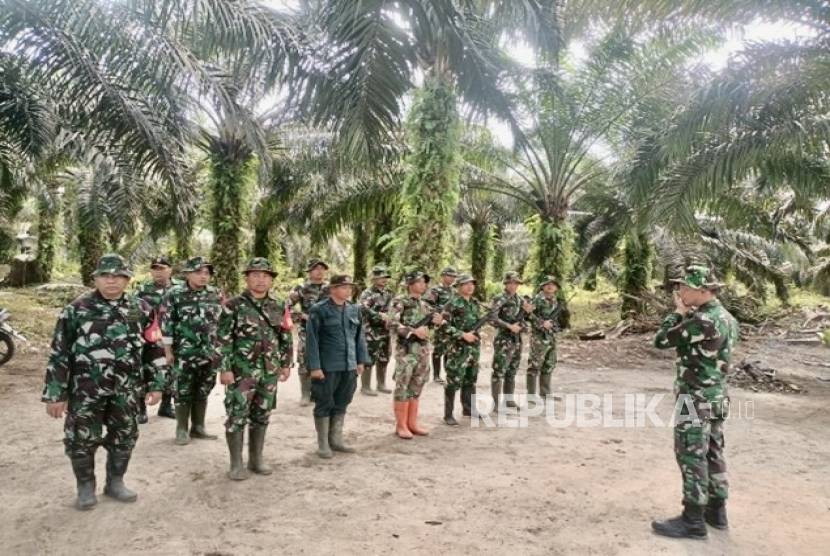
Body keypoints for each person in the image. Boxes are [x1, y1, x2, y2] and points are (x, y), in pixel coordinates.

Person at [42, 254, 167, 510]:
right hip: (86, 391)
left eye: (118, 276)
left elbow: (153, 347)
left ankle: (115, 482)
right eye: (105, 276)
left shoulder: (141, 308)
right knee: (81, 439)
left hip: (127, 390)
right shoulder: (76, 309)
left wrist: (156, 383)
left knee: (125, 435)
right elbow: (59, 353)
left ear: (127, 279)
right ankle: (85, 487)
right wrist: (56, 394)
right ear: (96, 279)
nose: (112, 280)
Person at [651, 265, 738, 539]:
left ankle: (693, 520)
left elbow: (661, 340)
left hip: (696, 398)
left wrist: (677, 313)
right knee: (712, 451)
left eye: (684, 287)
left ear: (701, 290)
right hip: (716, 396)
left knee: (691, 454)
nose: (679, 292)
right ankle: (717, 511)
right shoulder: (725, 317)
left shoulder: (703, 321)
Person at [216, 258, 292, 480]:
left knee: (262, 414)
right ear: (247, 278)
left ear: (271, 280)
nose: (261, 280)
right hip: (241, 372)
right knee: (237, 414)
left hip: (269, 371)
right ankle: (236, 464)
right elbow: (222, 338)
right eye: (256, 275)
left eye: (266, 276)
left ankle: (256, 459)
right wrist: (225, 368)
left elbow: (285, 335)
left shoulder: (278, 304)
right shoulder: (233, 305)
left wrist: (286, 363)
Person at [305, 274, 370, 458]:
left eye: (350, 287)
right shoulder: (319, 310)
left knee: (342, 401)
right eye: (343, 287)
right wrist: (315, 366)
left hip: (348, 365)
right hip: (328, 366)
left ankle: (336, 439)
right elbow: (312, 340)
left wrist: (360, 360)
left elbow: (359, 337)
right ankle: (323, 444)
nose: (348, 290)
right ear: (332, 289)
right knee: (324, 402)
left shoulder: (354, 309)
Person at [160, 256, 224, 445]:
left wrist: (221, 350)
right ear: (188, 274)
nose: (203, 276)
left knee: (204, 388)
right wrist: (168, 351)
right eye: (198, 272)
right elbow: (167, 323)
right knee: (182, 389)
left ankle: (198, 427)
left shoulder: (215, 294)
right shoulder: (175, 294)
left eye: (207, 273)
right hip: (184, 353)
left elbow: (221, 323)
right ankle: (181, 429)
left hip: (208, 351)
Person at [388, 270, 444, 438]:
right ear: (410, 283)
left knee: (417, 385)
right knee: (403, 385)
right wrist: (412, 331)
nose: (423, 285)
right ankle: (401, 425)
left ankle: (412, 423)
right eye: (419, 282)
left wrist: (437, 322)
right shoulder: (399, 301)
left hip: (423, 350)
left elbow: (430, 326)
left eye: (424, 282)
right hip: (406, 351)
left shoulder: (426, 304)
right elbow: (391, 323)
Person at [134, 256, 181, 421]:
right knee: (145, 370)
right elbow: (135, 313)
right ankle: (141, 409)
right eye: (155, 268)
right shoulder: (142, 290)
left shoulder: (180, 288)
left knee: (171, 370)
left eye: (162, 268)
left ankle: (166, 406)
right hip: (150, 338)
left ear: (170, 270)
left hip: (172, 337)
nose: (158, 272)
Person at [287, 257, 329, 405]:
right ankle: (305, 394)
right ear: (309, 271)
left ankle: (318, 393)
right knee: (304, 361)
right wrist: (302, 316)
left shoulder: (330, 288)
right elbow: (286, 307)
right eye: (316, 268)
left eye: (322, 268)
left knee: (326, 362)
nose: (319, 271)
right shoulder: (301, 288)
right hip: (307, 331)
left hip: (327, 333)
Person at [442, 274, 481, 426]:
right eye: (466, 284)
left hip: (473, 347)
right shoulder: (452, 303)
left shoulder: (475, 303)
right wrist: (462, 334)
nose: (470, 287)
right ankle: (448, 414)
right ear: (458, 287)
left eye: (472, 284)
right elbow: (443, 325)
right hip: (457, 348)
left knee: (471, 378)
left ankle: (468, 408)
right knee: (453, 379)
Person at [490, 272, 534, 410]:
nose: (513, 286)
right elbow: (492, 318)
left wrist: (527, 313)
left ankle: (509, 401)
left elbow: (525, 319)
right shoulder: (499, 298)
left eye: (516, 283)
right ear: (505, 283)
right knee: (499, 371)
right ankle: (496, 404)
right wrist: (509, 326)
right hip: (503, 339)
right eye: (510, 283)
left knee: (512, 371)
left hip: (517, 339)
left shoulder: (520, 299)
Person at [527, 275, 569, 401]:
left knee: (549, 363)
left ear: (556, 287)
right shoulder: (536, 300)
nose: (550, 286)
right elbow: (528, 315)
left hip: (552, 336)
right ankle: (531, 395)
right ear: (542, 286)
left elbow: (560, 319)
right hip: (539, 337)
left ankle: (545, 393)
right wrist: (541, 323)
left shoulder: (556, 301)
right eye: (548, 284)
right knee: (534, 365)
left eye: (553, 284)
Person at [358, 265, 393, 396]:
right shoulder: (367, 293)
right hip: (371, 331)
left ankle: (381, 384)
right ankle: (365, 386)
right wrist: (378, 315)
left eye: (385, 277)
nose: (384, 279)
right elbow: (362, 308)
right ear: (373, 279)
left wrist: (391, 318)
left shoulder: (388, 293)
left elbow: (392, 308)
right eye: (380, 277)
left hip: (385, 330)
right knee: (369, 357)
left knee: (384, 357)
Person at [426, 267, 458, 383]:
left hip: (452, 324)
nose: (452, 278)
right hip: (440, 324)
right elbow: (428, 305)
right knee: (438, 349)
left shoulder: (455, 291)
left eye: (454, 276)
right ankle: (436, 375)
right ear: (443, 276)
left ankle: (448, 373)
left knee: (449, 349)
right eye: (450, 276)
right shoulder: (436, 290)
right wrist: (439, 313)